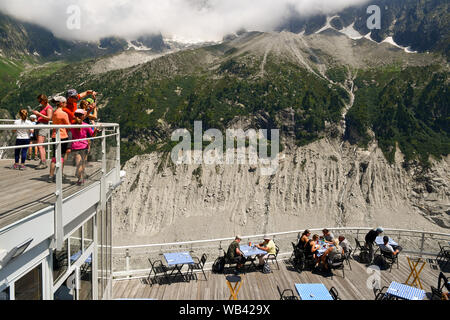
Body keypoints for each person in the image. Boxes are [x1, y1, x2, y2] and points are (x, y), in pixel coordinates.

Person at [71, 109, 99, 185]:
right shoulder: (86, 125)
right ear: (83, 116)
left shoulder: (71, 125)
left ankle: (79, 178)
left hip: (75, 146)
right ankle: (80, 178)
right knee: (82, 163)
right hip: (84, 146)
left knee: (78, 164)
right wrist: (96, 130)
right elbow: (92, 135)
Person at [48, 96, 70, 183]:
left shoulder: (54, 112)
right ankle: (59, 175)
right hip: (63, 136)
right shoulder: (64, 114)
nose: (66, 104)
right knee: (61, 156)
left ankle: (51, 175)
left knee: (54, 156)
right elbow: (68, 126)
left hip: (54, 135)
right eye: (65, 103)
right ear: (62, 103)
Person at [32, 94, 53, 170]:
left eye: (40, 101)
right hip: (39, 125)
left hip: (43, 126)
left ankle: (43, 162)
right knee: (41, 145)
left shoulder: (49, 108)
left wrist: (39, 114)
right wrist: (37, 115)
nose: (39, 102)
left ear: (44, 100)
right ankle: (43, 161)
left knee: (40, 145)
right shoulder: (42, 107)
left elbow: (49, 118)